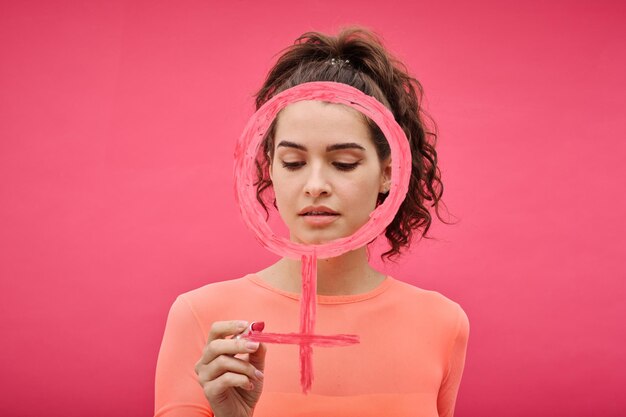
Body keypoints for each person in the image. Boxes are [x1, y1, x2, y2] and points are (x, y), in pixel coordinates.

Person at [154, 26, 470, 417]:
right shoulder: (203, 317)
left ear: (389, 172)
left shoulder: (442, 323)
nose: (315, 186)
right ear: (270, 167)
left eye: (343, 163)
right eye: (293, 163)